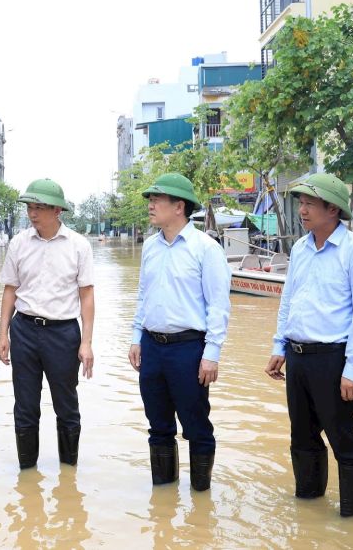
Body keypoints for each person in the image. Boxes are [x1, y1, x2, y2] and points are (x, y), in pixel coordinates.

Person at [264, 172, 353, 517]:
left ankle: (351, 520)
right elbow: (289, 301)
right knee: (302, 437)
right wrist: (279, 347)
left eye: (309, 204)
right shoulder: (300, 249)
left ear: (333, 209)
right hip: (297, 357)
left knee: (344, 439)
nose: (302, 210)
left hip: (334, 359)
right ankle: (309, 508)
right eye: (301, 203)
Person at [128, 173, 231, 491]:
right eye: (150, 199)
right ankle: (164, 502)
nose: (151, 205)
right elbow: (143, 294)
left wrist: (211, 353)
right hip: (152, 346)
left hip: (189, 348)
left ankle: (201, 501)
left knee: (196, 426)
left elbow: (218, 305)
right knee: (158, 426)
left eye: (157, 199)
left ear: (179, 206)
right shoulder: (151, 247)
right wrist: (136, 336)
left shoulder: (206, 248)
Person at [0, 178, 95, 469]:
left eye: (39, 207)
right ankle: (27, 474)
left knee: (66, 405)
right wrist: (3, 333)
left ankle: (68, 474)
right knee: (25, 406)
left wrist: (86, 342)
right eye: (30, 207)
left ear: (57, 211)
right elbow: (10, 289)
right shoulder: (19, 243)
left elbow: (87, 295)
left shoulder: (78, 245)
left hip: (63, 333)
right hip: (24, 330)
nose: (32, 213)